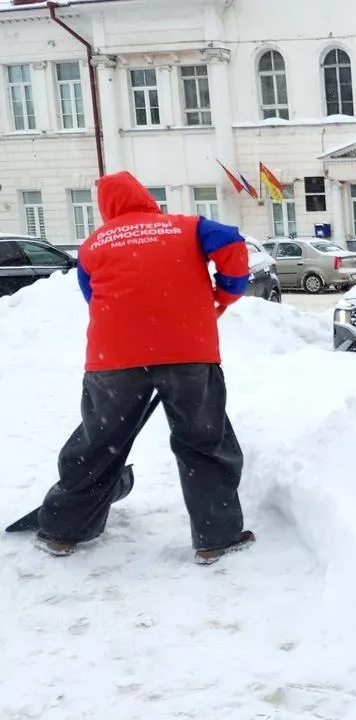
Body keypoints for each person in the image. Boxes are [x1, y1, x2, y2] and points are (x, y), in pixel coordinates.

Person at [35, 170, 255, 564]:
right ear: (146, 198)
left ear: (106, 208)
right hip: (188, 352)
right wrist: (226, 294)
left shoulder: (93, 244)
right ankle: (215, 537)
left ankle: (63, 530)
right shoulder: (187, 226)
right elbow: (233, 245)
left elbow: (93, 295)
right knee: (202, 440)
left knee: (98, 442)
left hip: (113, 359)